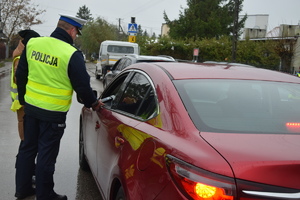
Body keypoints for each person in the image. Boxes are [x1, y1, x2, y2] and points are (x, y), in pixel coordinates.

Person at [15, 14, 103, 200]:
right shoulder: (71, 54)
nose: (76, 36)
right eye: (76, 33)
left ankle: (23, 189)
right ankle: (45, 195)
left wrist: (24, 100)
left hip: (31, 109)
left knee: (27, 149)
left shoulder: (33, 43)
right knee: (46, 155)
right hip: (53, 115)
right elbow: (82, 87)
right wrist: (93, 104)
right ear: (72, 31)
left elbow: (21, 74)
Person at [10, 30, 40, 141]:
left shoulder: (21, 55)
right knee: (23, 125)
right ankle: (24, 146)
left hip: (22, 99)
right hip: (21, 100)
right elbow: (20, 79)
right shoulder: (19, 58)